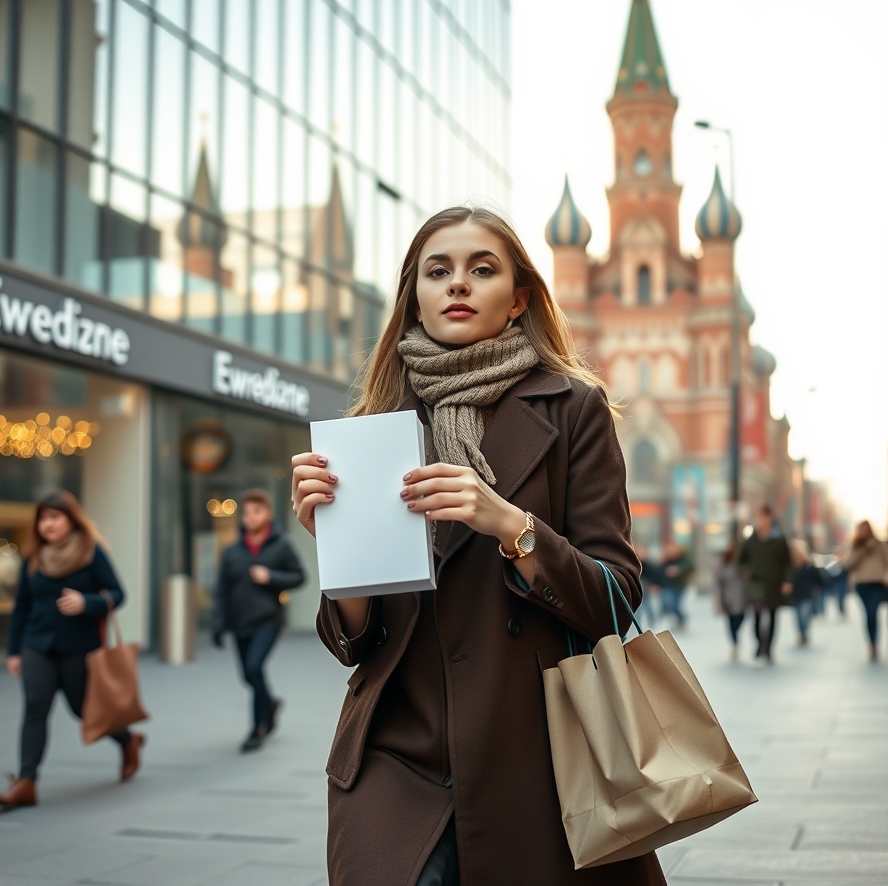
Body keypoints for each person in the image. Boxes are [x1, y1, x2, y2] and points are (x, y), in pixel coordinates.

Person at [290, 207, 665, 885]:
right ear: (416, 297)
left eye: (481, 269)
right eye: (439, 271)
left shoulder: (573, 409)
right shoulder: (373, 429)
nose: (457, 284)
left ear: (519, 298)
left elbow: (616, 600)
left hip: (541, 759)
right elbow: (354, 642)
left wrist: (512, 527)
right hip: (395, 757)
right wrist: (335, 549)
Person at [0, 490, 144, 808]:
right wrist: (14, 651)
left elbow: (118, 594)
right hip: (37, 645)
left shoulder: (91, 552)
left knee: (82, 710)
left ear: (71, 520)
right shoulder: (33, 558)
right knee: (35, 707)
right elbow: (21, 607)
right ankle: (26, 782)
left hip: (79, 647)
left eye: (55, 517)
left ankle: (128, 741)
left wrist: (88, 602)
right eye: (43, 518)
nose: (48, 524)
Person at [212, 488, 306, 752]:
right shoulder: (232, 552)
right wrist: (218, 625)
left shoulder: (281, 545)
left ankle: (257, 728)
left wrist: (271, 577)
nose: (250, 517)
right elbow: (221, 591)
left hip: (268, 620)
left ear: (268, 514)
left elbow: (299, 576)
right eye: (247, 513)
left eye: (256, 511)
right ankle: (270, 703)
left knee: (254, 667)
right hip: (239, 623)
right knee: (248, 676)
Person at [737, 506, 792, 663]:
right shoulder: (751, 540)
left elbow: (788, 563)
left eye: (765, 517)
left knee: (773, 616)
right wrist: (745, 571)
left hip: (774, 583)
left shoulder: (779, 540)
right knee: (757, 615)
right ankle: (760, 643)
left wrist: (787, 581)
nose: (762, 521)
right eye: (760, 517)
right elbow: (740, 561)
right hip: (756, 582)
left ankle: (768, 648)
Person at [844, 520, 888, 662]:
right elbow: (849, 564)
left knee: (873, 612)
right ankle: (872, 643)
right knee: (868, 614)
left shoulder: (881, 545)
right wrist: (862, 550)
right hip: (862, 585)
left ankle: (875, 642)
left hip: (877, 583)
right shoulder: (856, 546)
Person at [714, 544, 746, 660]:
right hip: (728, 598)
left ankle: (735, 640)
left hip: (743, 597)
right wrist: (718, 598)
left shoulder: (744, 564)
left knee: (741, 618)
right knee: (731, 622)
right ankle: (735, 643)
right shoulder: (724, 565)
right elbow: (717, 581)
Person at [790, 540, 824, 647]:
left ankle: (804, 634)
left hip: (807, 595)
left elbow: (820, 580)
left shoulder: (810, 566)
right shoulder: (791, 568)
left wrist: (816, 589)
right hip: (795, 596)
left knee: (804, 616)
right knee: (798, 618)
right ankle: (801, 634)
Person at [659, 539, 693, 629]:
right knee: (668, 604)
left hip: (679, 585)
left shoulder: (683, 557)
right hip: (667, 585)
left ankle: (681, 618)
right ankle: (674, 620)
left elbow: (690, 566)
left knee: (675, 605)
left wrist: (678, 570)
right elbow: (658, 570)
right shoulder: (665, 558)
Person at [636, 543, 661, 632]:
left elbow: (654, 574)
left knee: (649, 608)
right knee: (638, 611)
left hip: (646, 591)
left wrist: (655, 585)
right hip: (636, 590)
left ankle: (652, 627)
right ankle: (639, 628)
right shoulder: (633, 562)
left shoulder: (648, 563)